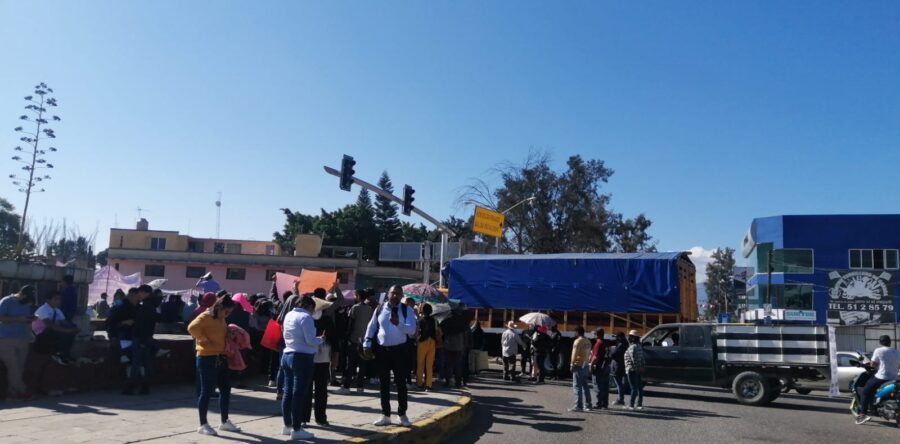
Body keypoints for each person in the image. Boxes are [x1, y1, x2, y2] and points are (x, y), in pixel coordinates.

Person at [187, 294, 242, 436]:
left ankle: (224, 421)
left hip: (220, 356)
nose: (227, 315)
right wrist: (203, 339)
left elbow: (219, 334)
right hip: (207, 358)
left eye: (229, 313)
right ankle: (203, 424)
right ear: (219, 307)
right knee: (206, 391)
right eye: (226, 312)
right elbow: (192, 327)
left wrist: (228, 335)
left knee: (225, 389)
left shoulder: (221, 319)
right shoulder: (206, 316)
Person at [363, 285, 417, 427]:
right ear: (388, 294)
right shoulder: (380, 309)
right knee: (384, 384)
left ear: (401, 296)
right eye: (393, 293)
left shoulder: (407, 310)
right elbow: (372, 326)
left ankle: (402, 414)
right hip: (382, 351)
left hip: (400, 351)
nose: (395, 296)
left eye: (398, 294)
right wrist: (366, 344)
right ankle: (385, 415)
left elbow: (411, 330)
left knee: (400, 384)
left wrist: (398, 323)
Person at [280, 295, 324, 441]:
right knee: (299, 394)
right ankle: (297, 429)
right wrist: (321, 339)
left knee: (288, 392)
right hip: (302, 357)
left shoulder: (289, 315)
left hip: (287, 354)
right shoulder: (306, 317)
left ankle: (287, 425)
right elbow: (310, 340)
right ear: (310, 306)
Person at [0, 285, 36, 401]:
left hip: (22, 337)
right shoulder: (6, 301)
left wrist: (30, 320)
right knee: (13, 365)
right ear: (22, 295)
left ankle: (12, 393)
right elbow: (1, 318)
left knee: (19, 367)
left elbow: (25, 319)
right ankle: (23, 390)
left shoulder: (27, 303)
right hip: (5, 339)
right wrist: (18, 319)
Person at [855, 335, 900, 425]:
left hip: (882, 377)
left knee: (864, 392)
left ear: (880, 342)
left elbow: (873, 365)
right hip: (895, 378)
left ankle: (863, 414)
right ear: (889, 342)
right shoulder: (896, 352)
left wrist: (866, 365)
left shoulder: (878, 350)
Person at [341, 289, 375, 393]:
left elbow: (350, 324)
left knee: (351, 364)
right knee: (362, 364)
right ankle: (360, 386)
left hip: (354, 339)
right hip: (365, 340)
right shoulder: (370, 309)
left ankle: (346, 386)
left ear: (359, 296)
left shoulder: (355, 308)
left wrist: (347, 337)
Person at [302, 311, 332, 427]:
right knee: (318, 390)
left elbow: (333, 336)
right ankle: (317, 418)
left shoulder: (307, 318)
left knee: (315, 389)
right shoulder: (306, 318)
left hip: (317, 357)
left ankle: (309, 418)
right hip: (317, 357)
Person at [34, 291, 80, 365]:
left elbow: (64, 322)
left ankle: (65, 354)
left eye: (59, 299)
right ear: (48, 300)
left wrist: (74, 328)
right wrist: (67, 330)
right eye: (56, 299)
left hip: (51, 333)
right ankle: (59, 354)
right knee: (64, 331)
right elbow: (50, 325)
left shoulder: (57, 310)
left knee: (71, 329)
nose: (58, 301)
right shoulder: (43, 310)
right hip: (41, 336)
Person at [132, 285, 159, 395]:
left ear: (146, 293)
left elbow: (144, 324)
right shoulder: (151, 305)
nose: (139, 294)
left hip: (141, 337)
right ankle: (145, 386)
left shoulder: (147, 306)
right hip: (146, 337)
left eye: (141, 292)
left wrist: (142, 340)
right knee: (146, 362)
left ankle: (133, 385)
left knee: (137, 363)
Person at [568, 326, 593, 412]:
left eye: (575, 332)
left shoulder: (577, 341)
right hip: (585, 365)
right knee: (585, 385)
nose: (574, 334)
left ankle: (579, 406)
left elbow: (574, 354)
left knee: (577, 386)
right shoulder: (588, 341)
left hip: (578, 365)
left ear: (577, 332)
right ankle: (589, 404)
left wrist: (572, 364)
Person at [415, 303, 438, 391]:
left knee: (420, 363)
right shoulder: (435, 320)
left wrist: (416, 340)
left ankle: (419, 383)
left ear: (422, 311)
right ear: (431, 311)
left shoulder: (419, 320)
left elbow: (416, 333)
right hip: (432, 342)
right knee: (429, 365)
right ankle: (428, 385)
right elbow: (437, 332)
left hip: (422, 342)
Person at [624, 329, 645, 410]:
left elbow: (634, 359)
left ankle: (631, 405)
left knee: (633, 388)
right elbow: (642, 358)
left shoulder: (632, 347)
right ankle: (639, 404)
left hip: (632, 369)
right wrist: (642, 367)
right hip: (639, 369)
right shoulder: (639, 346)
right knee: (639, 387)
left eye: (630, 336)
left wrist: (636, 368)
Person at [590, 328, 611, 410]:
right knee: (605, 386)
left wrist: (591, 365)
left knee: (597, 385)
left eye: (594, 334)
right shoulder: (606, 343)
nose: (594, 335)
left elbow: (596, 357)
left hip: (599, 367)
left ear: (597, 334)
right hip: (606, 366)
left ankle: (599, 403)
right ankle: (605, 404)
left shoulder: (598, 343)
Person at [609, 332, 628, 406]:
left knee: (619, 383)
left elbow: (614, 354)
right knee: (620, 383)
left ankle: (621, 399)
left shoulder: (621, 345)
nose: (616, 338)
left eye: (617, 337)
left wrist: (611, 351)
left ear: (620, 337)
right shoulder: (626, 344)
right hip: (622, 365)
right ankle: (621, 398)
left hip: (618, 366)